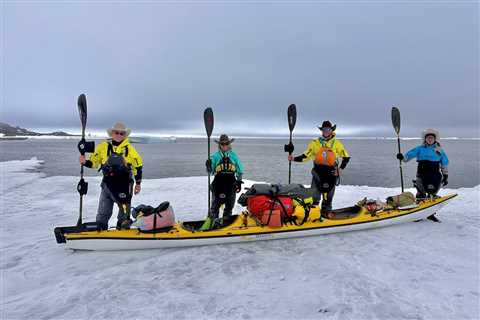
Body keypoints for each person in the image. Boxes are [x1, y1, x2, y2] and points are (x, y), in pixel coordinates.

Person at [79, 122, 143, 230]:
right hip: (107, 184)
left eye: (121, 133)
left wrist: (138, 184)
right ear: (112, 133)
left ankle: (122, 229)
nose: (119, 135)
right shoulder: (102, 147)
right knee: (103, 211)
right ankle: (100, 230)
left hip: (124, 184)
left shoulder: (130, 149)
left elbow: (138, 166)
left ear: (124, 135)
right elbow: (95, 163)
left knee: (124, 214)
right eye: (116, 132)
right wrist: (85, 162)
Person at [287, 121, 350, 214]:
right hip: (318, 173)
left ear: (332, 130)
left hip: (332, 174)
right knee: (314, 196)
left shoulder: (337, 144)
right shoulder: (314, 143)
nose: (326, 131)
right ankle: (313, 214)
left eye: (328, 129)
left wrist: (340, 170)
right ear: (322, 130)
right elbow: (306, 156)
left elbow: (346, 157)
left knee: (328, 198)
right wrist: (293, 158)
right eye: (324, 129)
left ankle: (326, 214)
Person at [202, 134, 244, 229]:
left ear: (229, 144)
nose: (224, 146)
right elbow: (210, 171)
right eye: (222, 144)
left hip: (231, 184)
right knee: (215, 208)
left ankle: (225, 225)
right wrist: (208, 165)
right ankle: (212, 225)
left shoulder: (234, 156)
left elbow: (239, 170)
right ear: (219, 145)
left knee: (229, 207)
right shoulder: (215, 156)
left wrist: (239, 181)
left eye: (226, 144)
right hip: (218, 184)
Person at [396, 128, 449, 200]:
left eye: (432, 138)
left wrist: (445, 175)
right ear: (425, 139)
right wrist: (402, 157)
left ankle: (432, 201)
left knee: (433, 191)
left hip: (435, 175)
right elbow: (407, 157)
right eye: (428, 138)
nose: (430, 139)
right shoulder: (420, 148)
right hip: (421, 174)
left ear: (435, 139)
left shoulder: (439, 150)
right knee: (421, 193)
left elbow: (444, 163)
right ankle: (420, 201)